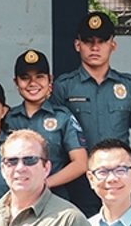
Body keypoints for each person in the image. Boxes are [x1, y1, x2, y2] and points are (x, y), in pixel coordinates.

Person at [52, 11, 131, 217]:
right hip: (78, 182)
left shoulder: (129, 86)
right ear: (77, 45)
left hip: (120, 179)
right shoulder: (63, 88)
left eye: (101, 41)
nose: (95, 47)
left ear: (113, 45)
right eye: (88, 41)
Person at [6, 49, 88, 197]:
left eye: (40, 77)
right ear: (16, 82)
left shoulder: (63, 117)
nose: (33, 83)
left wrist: (44, 184)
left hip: (54, 196)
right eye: (25, 77)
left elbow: (81, 163)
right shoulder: (7, 118)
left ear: (50, 79)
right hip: (15, 195)